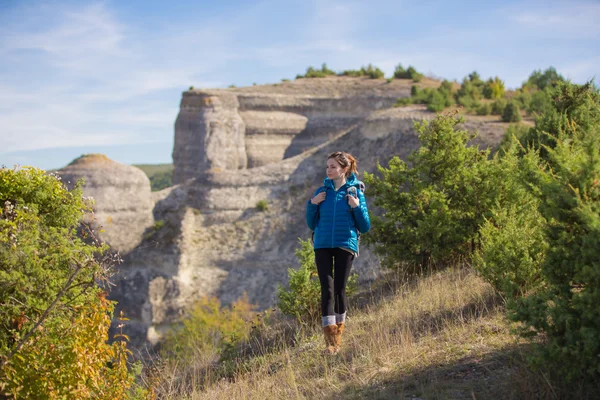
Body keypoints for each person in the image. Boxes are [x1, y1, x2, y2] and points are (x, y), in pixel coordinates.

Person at [306, 151, 371, 354]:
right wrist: (313, 204)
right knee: (327, 289)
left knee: (339, 290)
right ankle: (331, 342)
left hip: (345, 244)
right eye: (327, 167)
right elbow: (311, 223)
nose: (329, 170)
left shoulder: (355, 191)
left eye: (333, 167)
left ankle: (339, 333)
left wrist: (357, 207)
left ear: (344, 169)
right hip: (323, 244)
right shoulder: (322, 192)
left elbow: (365, 226)